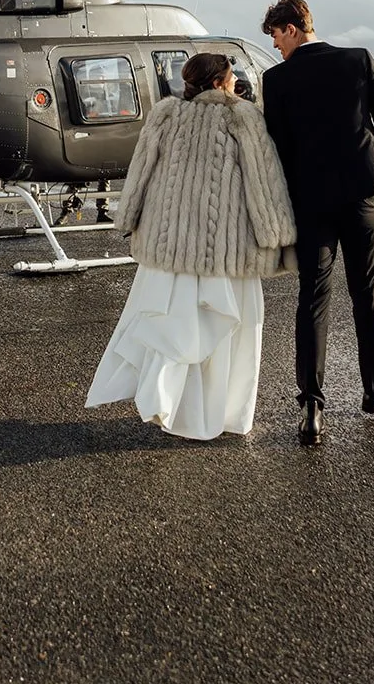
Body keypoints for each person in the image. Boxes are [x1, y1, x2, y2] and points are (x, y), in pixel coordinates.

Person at [86, 52, 296, 441]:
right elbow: (264, 184)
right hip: (227, 251)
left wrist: (128, 217)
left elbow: (139, 172)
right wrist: (278, 237)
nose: (235, 84)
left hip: (169, 249)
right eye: (231, 78)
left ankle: (169, 405)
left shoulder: (165, 115)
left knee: (172, 330)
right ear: (219, 81)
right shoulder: (243, 116)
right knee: (228, 338)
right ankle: (220, 415)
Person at [260, 0, 374, 447]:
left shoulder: (276, 80)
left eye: (276, 36)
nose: (276, 47)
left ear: (293, 28)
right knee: (366, 292)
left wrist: (287, 195)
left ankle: (312, 408)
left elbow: (277, 144)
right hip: (364, 192)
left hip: (311, 199)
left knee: (313, 297)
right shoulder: (359, 60)